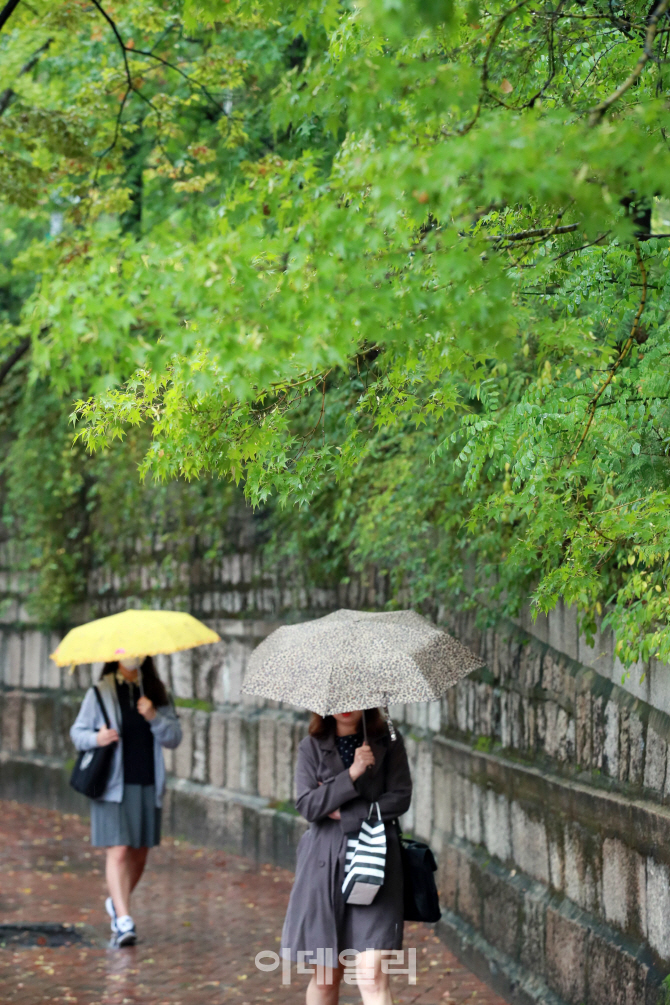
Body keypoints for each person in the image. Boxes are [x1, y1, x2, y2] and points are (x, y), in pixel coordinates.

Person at [282, 708, 412, 1005]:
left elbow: (400, 797)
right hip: (323, 867)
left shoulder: (388, 743)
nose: (346, 706)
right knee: (326, 979)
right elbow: (308, 806)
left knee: (372, 976)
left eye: (354, 698)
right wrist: (352, 773)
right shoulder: (311, 747)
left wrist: (346, 811)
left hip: (375, 863)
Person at [70, 655, 182, 946]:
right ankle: (123, 920)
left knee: (140, 851)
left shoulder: (156, 692)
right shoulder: (100, 691)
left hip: (147, 783)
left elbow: (174, 738)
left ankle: (117, 903)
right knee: (118, 850)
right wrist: (98, 738)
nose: (132, 657)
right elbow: (77, 733)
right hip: (112, 786)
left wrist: (154, 716)